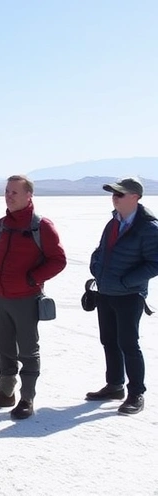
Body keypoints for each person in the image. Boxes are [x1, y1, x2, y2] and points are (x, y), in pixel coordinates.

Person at [0, 175, 66, 420]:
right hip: (1, 296)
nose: (9, 196)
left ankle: (27, 398)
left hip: (26, 298)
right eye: (7, 191)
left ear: (29, 196)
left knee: (27, 349)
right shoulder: (2, 224)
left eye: (14, 192)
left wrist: (32, 279)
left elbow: (58, 260)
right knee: (3, 346)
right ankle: (5, 393)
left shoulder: (41, 226)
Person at [86, 177, 158, 415]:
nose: (114, 198)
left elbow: (155, 263)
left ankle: (136, 393)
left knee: (128, 343)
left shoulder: (148, 228)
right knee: (109, 340)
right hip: (106, 292)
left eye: (120, 194)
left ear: (135, 197)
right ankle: (115, 385)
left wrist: (127, 281)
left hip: (129, 295)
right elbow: (100, 250)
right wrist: (95, 266)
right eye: (113, 194)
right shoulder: (113, 222)